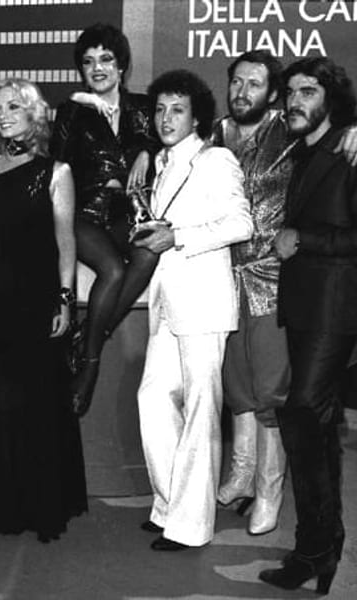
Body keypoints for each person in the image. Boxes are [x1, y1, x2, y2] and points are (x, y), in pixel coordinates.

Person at [0, 78, 87, 542]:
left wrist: (65, 300)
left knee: (29, 404)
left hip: (30, 304)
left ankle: (33, 506)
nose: (4, 114)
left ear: (33, 114)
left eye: (14, 106)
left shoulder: (56, 172)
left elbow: (65, 243)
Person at [133, 70, 253, 551]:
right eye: (160, 110)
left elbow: (241, 224)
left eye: (177, 110)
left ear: (197, 116)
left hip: (204, 305)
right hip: (167, 304)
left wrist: (177, 237)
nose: (166, 118)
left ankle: (190, 525)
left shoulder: (216, 159)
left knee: (202, 413)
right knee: (152, 399)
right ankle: (169, 505)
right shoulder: (162, 163)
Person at [259, 57, 357, 594]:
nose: (294, 101)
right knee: (314, 424)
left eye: (308, 91)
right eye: (291, 92)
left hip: (334, 310)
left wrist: (304, 239)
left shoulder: (349, 149)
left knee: (302, 413)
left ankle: (316, 547)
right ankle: (321, 545)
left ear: (330, 99)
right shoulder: (303, 152)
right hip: (303, 307)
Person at [50, 23, 160, 416]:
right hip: (83, 213)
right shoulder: (72, 111)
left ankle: (87, 338)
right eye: (88, 61)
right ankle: (90, 365)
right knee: (112, 270)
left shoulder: (144, 108)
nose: (97, 68)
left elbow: (170, 135)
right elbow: (56, 164)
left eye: (106, 59)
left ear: (122, 66)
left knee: (147, 254)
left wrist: (147, 150)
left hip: (125, 214)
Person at [212, 51, 291, 536]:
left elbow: (333, 128)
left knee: (270, 390)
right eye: (237, 82)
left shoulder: (290, 129)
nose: (242, 92)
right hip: (222, 276)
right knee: (236, 384)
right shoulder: (213, 134)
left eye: (254, 84)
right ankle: (242, 474)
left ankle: (268, 490)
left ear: (273, 93)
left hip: (273, 279)